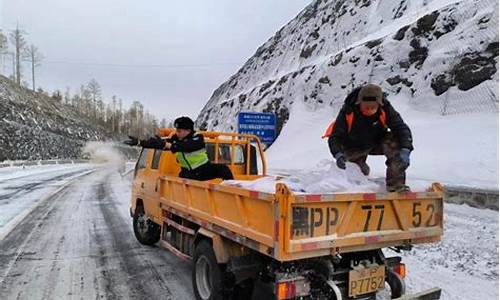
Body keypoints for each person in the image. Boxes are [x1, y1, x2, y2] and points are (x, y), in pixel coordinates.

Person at [323, 84, 413, 192]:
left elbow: (401, 128)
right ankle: (362, 168)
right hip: (354, 146)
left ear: (379, 105)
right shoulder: (348, 111)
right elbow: (335, 137)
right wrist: (338, 154)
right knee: (356, 175)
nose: (369, 110)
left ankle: (396, 186)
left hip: (378, 141)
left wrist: (405, 149)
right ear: (359, 103)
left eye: (373, 108)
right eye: (366, 107)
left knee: (396, 142)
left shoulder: (386, 108)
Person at [124, 116, 234, 181]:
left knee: (223, 169)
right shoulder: (176, 138)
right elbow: (161, 144)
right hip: (188, 173)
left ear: (188, 130)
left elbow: (186, 147)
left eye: (179, 131)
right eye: (176, 130)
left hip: (204, 169)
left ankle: (231, 190)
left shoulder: (198, 138)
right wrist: (140, 142)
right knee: (180, 181)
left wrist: (168, 145)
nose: (177, 133)